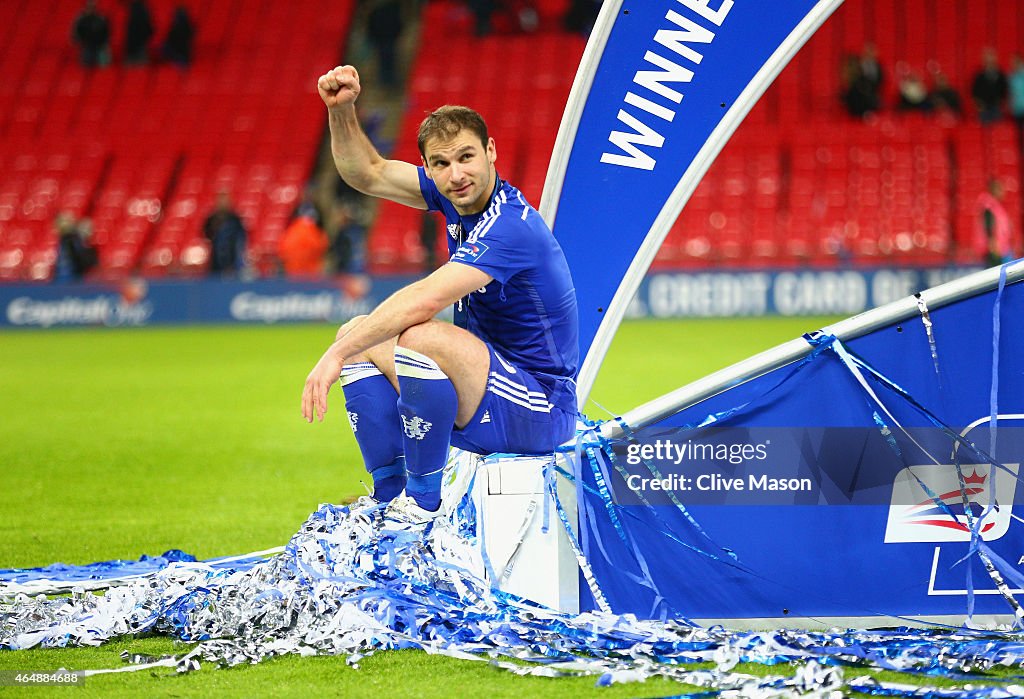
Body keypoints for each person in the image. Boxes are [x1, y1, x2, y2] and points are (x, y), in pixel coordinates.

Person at [301, 65, 579, 521]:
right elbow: (367, 174)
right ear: (430, 166)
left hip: (541, 407)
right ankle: (387, 500)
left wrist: (333, 354)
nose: (456, 175)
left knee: (414, 337)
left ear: (491, 152)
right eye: (441, 164)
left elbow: (428, 299)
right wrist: (343, 112)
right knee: (357, 336)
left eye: (467, 157)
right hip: (490, 387)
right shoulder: (455, 195)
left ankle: (422, 507)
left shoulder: (511, 228)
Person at [202, 191, 247, 277]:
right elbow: (206, 236)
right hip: (215, 261)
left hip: (233, 261)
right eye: (221, 200)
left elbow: (242, 239)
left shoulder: (235, 219)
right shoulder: (211, 219)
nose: (222, 203)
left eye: (225, 200)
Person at [976, 179, 1015, 267]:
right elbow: (988, 224)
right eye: (1000, 189)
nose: (1003, 192)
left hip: (1001, 247)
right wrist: (992, 242)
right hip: (996, 248)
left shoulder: (995, 206)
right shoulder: (989, 206)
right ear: (994, 190)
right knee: (996, 273)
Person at [278, 212, 329, 277]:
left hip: (293, 272)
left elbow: (281, 249)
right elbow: (323, 245)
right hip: (311, 272)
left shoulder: (291, 232)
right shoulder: (314, 232)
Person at [53, 211, 98, 282]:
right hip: (63, 280)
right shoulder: (64, 240)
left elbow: (80, 260)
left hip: (72, 280)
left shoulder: (72, 240)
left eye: (65, 221)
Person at [971, 47, 1007, 124]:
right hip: (984, 109)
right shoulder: (979, 76)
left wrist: (1000, 102)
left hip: (996, 108)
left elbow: (1004, 90)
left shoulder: (1001, 75)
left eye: (991, 59)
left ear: (995, 60)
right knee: (984, 132)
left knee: (997, 131)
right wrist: (979, 105)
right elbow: (974, 92)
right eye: (987, 60)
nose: (989, 62)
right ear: (984, 61)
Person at [71, 0, 111, 68]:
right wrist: (81, 41)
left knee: (104, 66)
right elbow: (76, 33)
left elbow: (107, 31)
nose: (91, 8)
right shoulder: (81, 19)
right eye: (89, 6)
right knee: (86, 65)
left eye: (93, 7)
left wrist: (104, 42)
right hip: (87, 45)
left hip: (100, 45)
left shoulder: (101, 18)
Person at [161, 4, 195, 68]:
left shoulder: (175, 29)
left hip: (179, 54)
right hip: (185, 54)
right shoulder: (189, 27)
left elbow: (171, 40)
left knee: (164, 48)